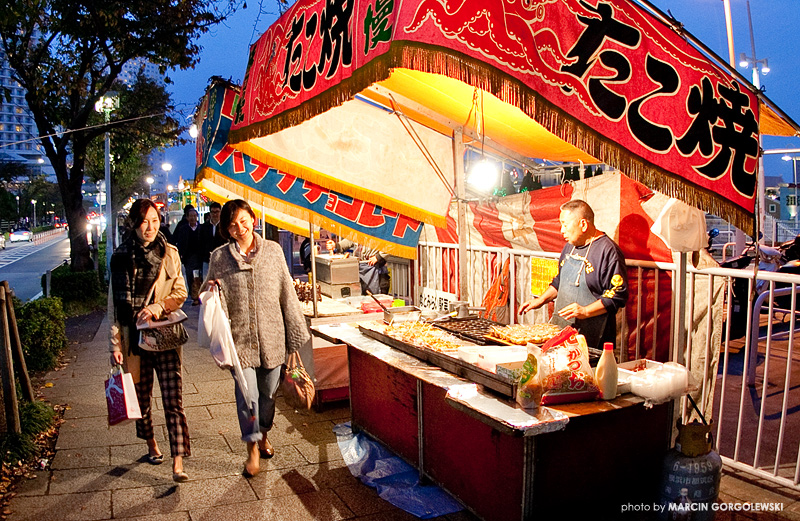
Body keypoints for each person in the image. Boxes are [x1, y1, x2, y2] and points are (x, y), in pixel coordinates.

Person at [204, 199, 310, 478]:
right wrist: (211, 288)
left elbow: (287, 292)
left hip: (273, 339)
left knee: (267, 396)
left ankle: (263, 432)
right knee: (246, 396)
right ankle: (252, 447)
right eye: (232, 225)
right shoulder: (219, 257)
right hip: (240, 341)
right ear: (226, 230)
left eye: (243, 220)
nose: (240, 227)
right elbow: (207, 295)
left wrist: (294, 335)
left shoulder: (273, 251)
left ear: (252, 218)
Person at [108, 199, 190, 483]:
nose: (150, 227)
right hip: (134, 339)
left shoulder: (169, 253)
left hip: (165, 336)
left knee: (173, 399)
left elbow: (180, 292)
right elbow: (115, 308)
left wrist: (157, 307)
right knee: (142, 401)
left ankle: (178, 461)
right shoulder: (120, 257)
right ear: (134, 223)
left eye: (154, 220)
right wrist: (115, 345)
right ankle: (151, 444)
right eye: (144, 221)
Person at [519, 199, 628, 349]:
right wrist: (541, 300)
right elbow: (560, 281)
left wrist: (585, 311)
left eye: (565, 224)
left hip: (592, 337)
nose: (561, 230)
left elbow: (617, 296)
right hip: (563, 331)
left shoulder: (608, 252)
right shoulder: (569, 247)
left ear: (583, 224)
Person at [325, 238, 390, 294]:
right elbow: (350, 239)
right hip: (360, 267)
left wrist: (379, 256)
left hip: (376, 270)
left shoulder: (382, 229)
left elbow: (391, 244)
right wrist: (336, 246)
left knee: (376, 301)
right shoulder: (361, 228)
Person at [173, 207, 203, 305]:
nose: (193, 218)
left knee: (200, 276)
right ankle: (193, 294)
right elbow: (179, 241)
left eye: (194, 216)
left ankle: (200, 295)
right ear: (187, 217)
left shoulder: (201, 228)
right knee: (190, 276)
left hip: (200, 257)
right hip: (188, 257)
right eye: (191, 216)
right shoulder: (183, 229)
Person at [199, 202, 226, 273]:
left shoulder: (224, 226)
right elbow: (200, 243)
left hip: (222, 259)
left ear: (221, 212)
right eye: (213, 212)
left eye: (217, 212)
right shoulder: (204, 227)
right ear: (210, 213)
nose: (215, 214)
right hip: (207, 260)